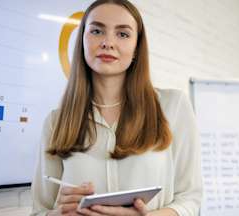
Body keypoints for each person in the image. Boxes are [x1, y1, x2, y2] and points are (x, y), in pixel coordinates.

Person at [30, 0, 202, 215]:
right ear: (82, 40)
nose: (107, 42)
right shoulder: (56, 122)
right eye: (97, 31)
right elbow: (40, 211)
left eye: (122, 34)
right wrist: (59, 213)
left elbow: (189, 199)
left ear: (136, 48)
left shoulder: (173, 106)